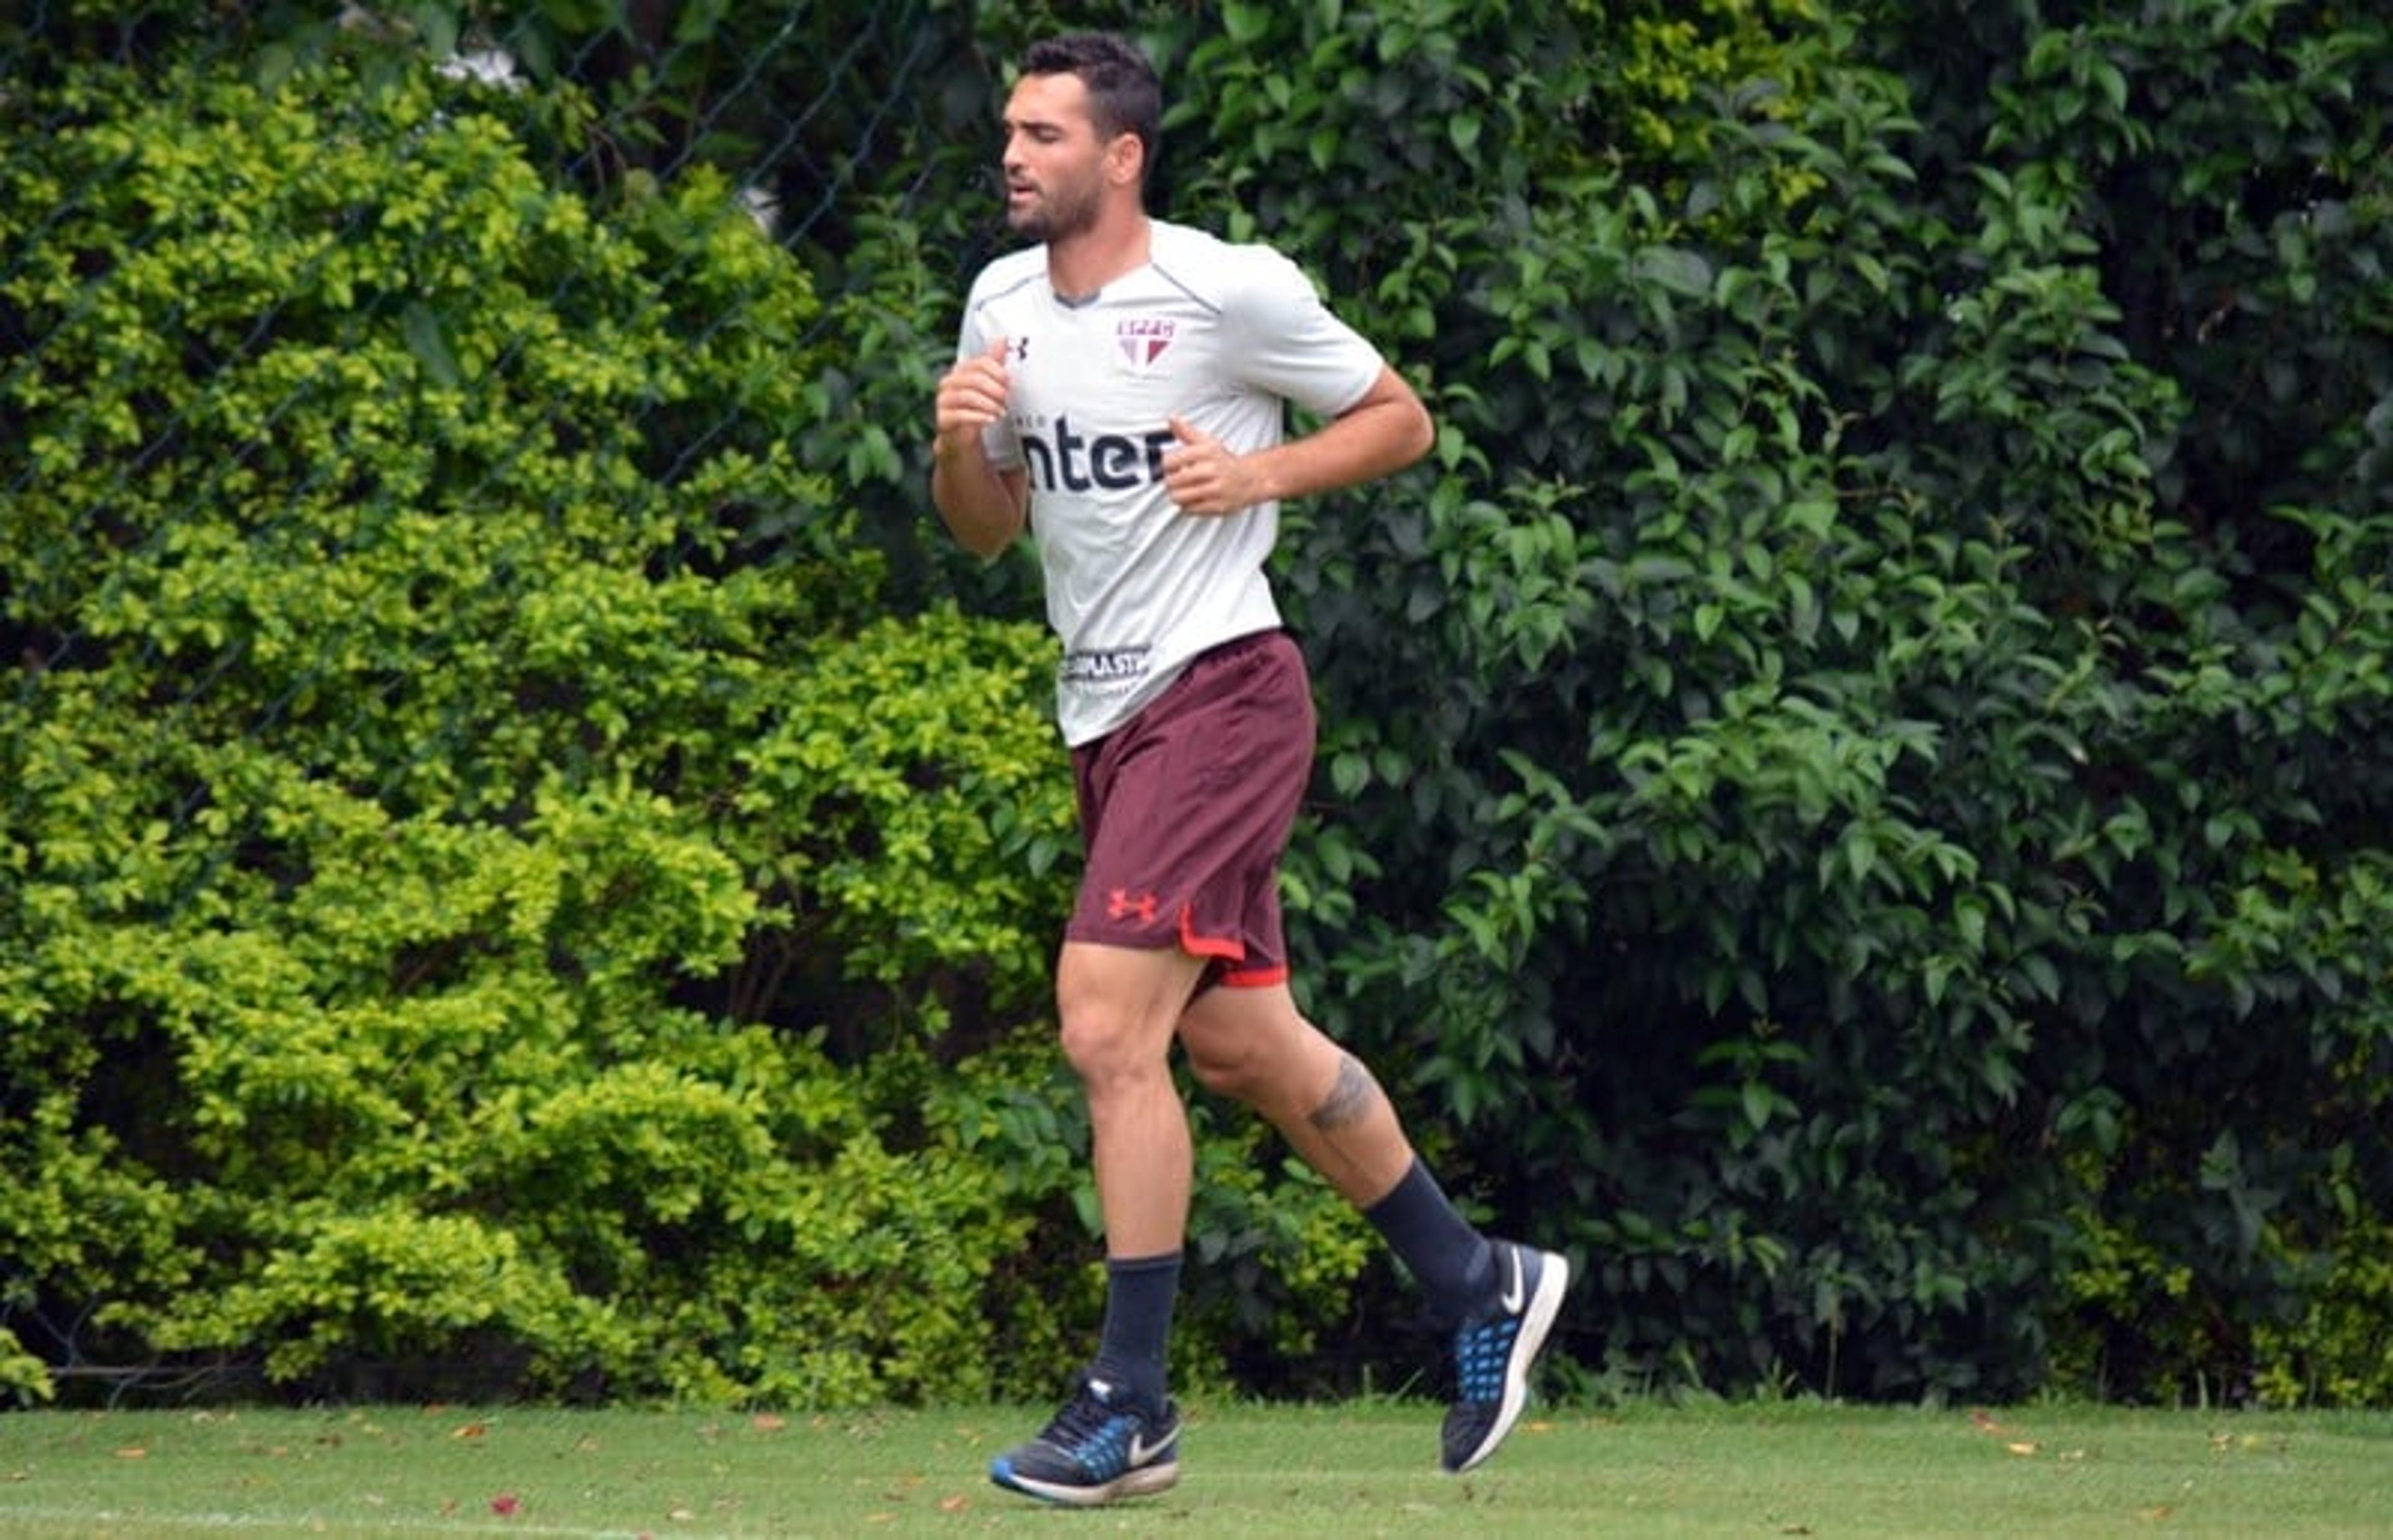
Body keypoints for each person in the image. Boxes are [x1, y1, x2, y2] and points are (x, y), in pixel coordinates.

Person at [930, 31, 1567, 1508]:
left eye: (1043, 135)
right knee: (1236, 1047)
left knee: (1104, 1024)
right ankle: (1478, 1278)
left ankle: (1129, 1404)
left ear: (1122, 156)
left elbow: (1401, 417)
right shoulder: (1000, 302)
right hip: (1105, 719)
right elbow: (982, 530)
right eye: (1009, 134)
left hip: (1223, 691)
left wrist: (1257, 473)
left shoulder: (1227, 289)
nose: (1013, 156)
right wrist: (962, 445)